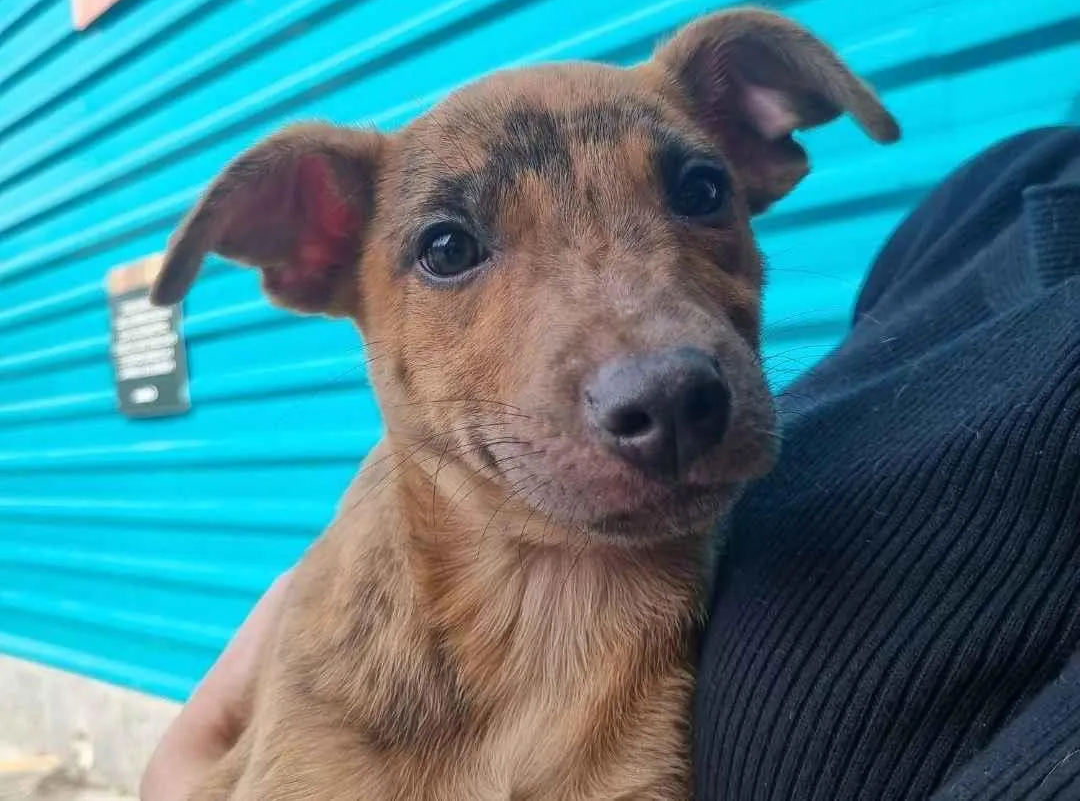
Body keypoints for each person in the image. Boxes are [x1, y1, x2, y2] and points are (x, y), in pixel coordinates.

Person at [141, 126, 1080, 801]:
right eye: (450, 249)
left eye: (697, 196)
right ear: (319, 252)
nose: (650, 365)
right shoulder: (999, 198)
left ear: (755, 158)